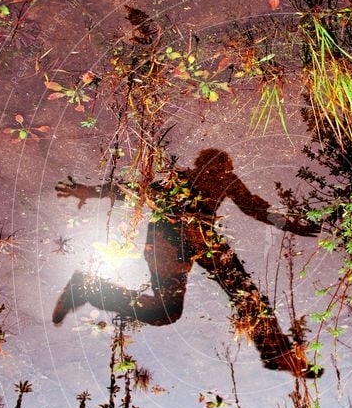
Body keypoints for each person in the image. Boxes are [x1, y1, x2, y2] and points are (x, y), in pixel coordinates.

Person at [52, 148, 323, 378]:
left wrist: (289, 224)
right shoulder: (183, 178)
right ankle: (276, 354)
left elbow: (253, 206)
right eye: (214, 165)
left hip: (188, 237)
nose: (218, 171)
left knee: (173, 309)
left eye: (221, 167)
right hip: (170, 238)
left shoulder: (224, 180)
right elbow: (137, 191)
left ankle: (85, 288)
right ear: (202, 164)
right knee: (212, 297)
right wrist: (90, 191)